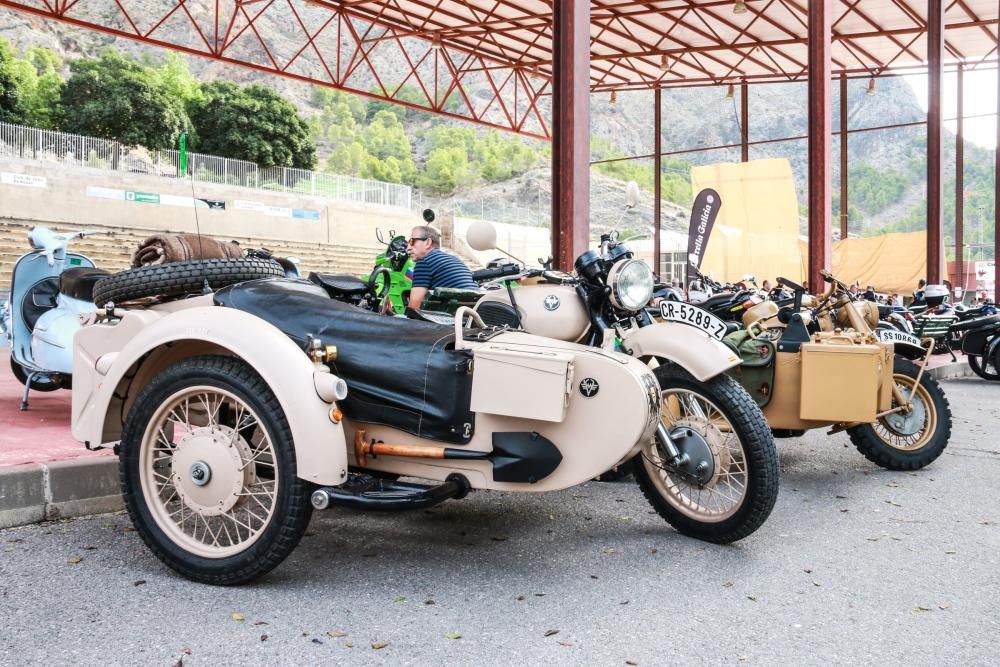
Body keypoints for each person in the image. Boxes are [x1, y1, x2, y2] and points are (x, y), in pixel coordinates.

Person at [405, 225, 477, 310]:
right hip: (469, 315)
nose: (408, 247)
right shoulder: (455, 260)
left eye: (412, 241)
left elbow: (413, 308)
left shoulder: (425, 262)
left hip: (449, 318)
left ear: (428, 243)